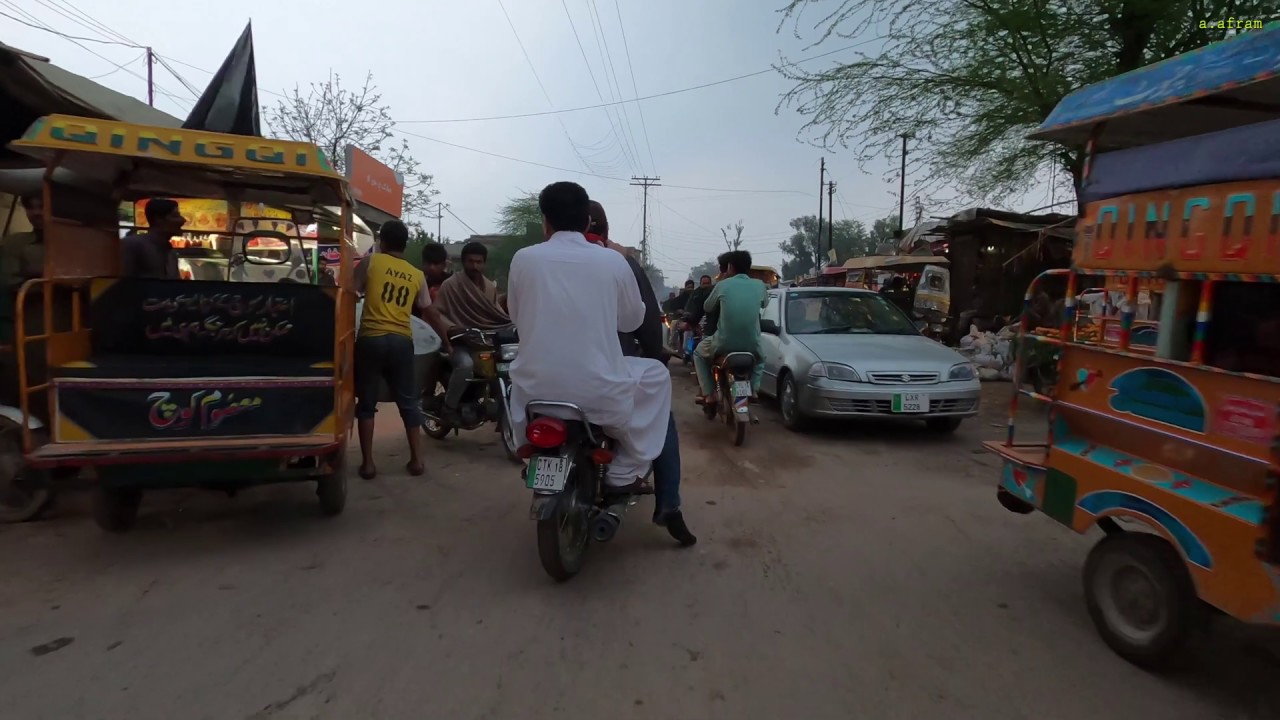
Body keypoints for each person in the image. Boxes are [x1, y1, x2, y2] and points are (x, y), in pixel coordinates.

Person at [507, 181, 671, 493]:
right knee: (657, 375)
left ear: (545, 222)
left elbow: (517, 317)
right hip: (600, 395)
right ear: (586, 222)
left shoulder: (523, 259)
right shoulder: (613, 261)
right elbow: (631, 321)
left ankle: (535, 462)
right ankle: (624, 471)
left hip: (535, 393)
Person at [584, 200, 695, 545]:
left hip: (548, 378)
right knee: (662, 419)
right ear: (605, 231)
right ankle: (668, 504)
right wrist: (653, 351)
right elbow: (645, 322)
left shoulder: (534, 261)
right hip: (611, 369)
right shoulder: (620, 263)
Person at [353, 220, 454, 480]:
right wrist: (446, 341)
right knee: (408, 402)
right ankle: (417, 461)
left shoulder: (371, 262)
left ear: (382, 241)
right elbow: (430, 312)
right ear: (405, 245)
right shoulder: (415, 274)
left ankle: (368, 465)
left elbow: (350, 294)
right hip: (401, 341)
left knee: (367, 404)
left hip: (371, 338)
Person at [433, 241, 513, 424]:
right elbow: (438, 313)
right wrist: (453, 328)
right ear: (463, 262)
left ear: (484, 263)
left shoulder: (490, 287)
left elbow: (496, 313)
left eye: (479, 262)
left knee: (504, 366)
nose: (475, 266)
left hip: (484, 340)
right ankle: (448, 408)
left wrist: (511, 324)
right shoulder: (450, 285)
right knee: (465, 365)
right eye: (471, 261)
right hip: (459, 341)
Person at [693, 250, 769, 405]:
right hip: (752, 344)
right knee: (761, 359)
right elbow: (765, 303)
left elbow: (707, 307)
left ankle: (709, 393)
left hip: (723, 343)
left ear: (730, 267)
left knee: (699, 353)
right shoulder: (760, 285)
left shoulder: (722, 285)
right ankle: (754, 389)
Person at [122, 198, 184, 279]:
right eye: (175, 216)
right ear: (158, 219)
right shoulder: (132, 245)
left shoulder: (171, 253)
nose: (182, 220)